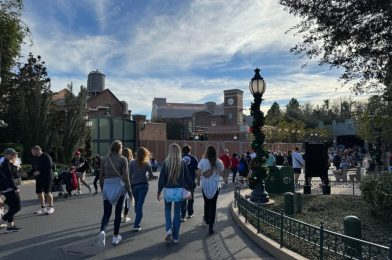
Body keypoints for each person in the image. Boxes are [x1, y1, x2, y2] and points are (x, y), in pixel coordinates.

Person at [98, 140, 132, 248]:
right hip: (119, 187)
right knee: (118, 213)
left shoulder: (105, 159)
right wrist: (130, 193)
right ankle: (115, 236)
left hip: (107, 186)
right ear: (120, 148)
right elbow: (126, 177)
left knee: (106, 214)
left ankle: (102, 231)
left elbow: (100, 177)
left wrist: (103, 188)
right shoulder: (123, 159)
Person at [157, 143, 192, 244]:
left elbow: (162, 179)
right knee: (177, 213)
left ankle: (168, 230)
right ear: (179, 152)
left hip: (168, 190)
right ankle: (176, 237)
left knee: (167, 210)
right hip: (179, 191)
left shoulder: (166, 163)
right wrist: (189, 188)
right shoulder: (182, 163)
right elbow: (188, 178)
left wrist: (159, 191)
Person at [197, 146, 224, 235]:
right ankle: (211, 226)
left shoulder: (203, 161)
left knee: (206, 203)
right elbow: (222, 173)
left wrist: (198, 181)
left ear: (207, 152)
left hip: (205, 185)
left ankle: (207, 219)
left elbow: (198, 172)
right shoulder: (218, 162)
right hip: (215, 185)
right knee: (213, 205)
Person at [129, 147, 155, 231]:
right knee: (140, 204)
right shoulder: (147, 163)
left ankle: (138, 216)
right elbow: (151, 176)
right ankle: (137, 224)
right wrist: (147, 178)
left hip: (134, 185)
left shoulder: (132, 163)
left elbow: (129, 176)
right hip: (143, 185)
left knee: (137, 203)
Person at [0, 148, 21, 232]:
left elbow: (14, 175)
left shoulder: (7, 163)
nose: (14, 155)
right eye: (12, 154)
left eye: (14, 154)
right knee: (17, 207)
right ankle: (3, 219)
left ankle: (10, 226)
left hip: (7, 188)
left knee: (12, 206)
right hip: (9, 188)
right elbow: (9, 177)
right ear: (6, 155)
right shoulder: (5, 164)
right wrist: (15, 188)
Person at [30, 145, 55, 215]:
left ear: (36, 150)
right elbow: (34, 168)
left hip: (47, 177)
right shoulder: (35, 158)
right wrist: (28, 173)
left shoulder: (46, 156)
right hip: (39, 178)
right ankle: (43, 208)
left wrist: (40, 172)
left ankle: (51, 207)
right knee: (39, 192)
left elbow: (49, 166)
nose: (32, 153)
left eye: (32, 151)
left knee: (47, 193)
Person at [181, 145, 198, 222]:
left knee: (183, 198)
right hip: (191, 181)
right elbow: (197, 170)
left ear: (182, 151)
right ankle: (190, 212)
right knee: (190, 197)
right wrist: (197, 180)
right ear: (189, 151)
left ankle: (183, 215)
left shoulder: (179, 158)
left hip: (181, 181)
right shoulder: (193, 158)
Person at [122, 148, 133, 223]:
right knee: (128, 200)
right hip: (129, 183)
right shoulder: (132, 162)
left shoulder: (121, 160)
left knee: (121, 200)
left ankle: (120, 214)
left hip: (121, 182)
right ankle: (125, 216)